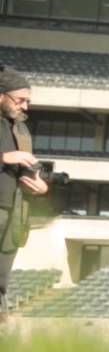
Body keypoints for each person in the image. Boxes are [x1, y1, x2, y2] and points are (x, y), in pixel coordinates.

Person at [0, 70, 49, 319]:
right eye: (20, 100)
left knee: (2, 273)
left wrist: (40, 184)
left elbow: (26, 167)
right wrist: (4, 157)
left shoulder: (21, 130)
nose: (25, 106)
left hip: (15, 209)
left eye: (27, 101)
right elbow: (9, 159)